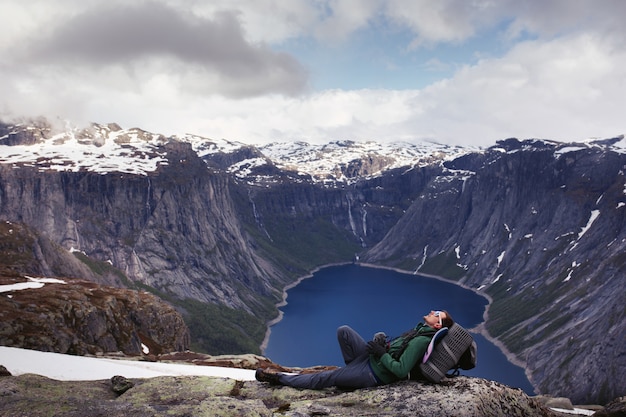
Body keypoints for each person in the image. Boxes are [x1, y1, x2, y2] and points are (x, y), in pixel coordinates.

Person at [255, 310, 454, 389]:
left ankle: (278, 378)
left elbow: (401, 370)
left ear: (437, 325)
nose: (431, 311)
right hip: (369, 361)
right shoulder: (418, 331)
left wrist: (381, 353)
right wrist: (381, 344)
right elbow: (396, 349)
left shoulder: (420, 342)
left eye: (436, 313)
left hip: (374, 374)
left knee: (327, 378)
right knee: (344, 332)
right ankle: (350, 375)